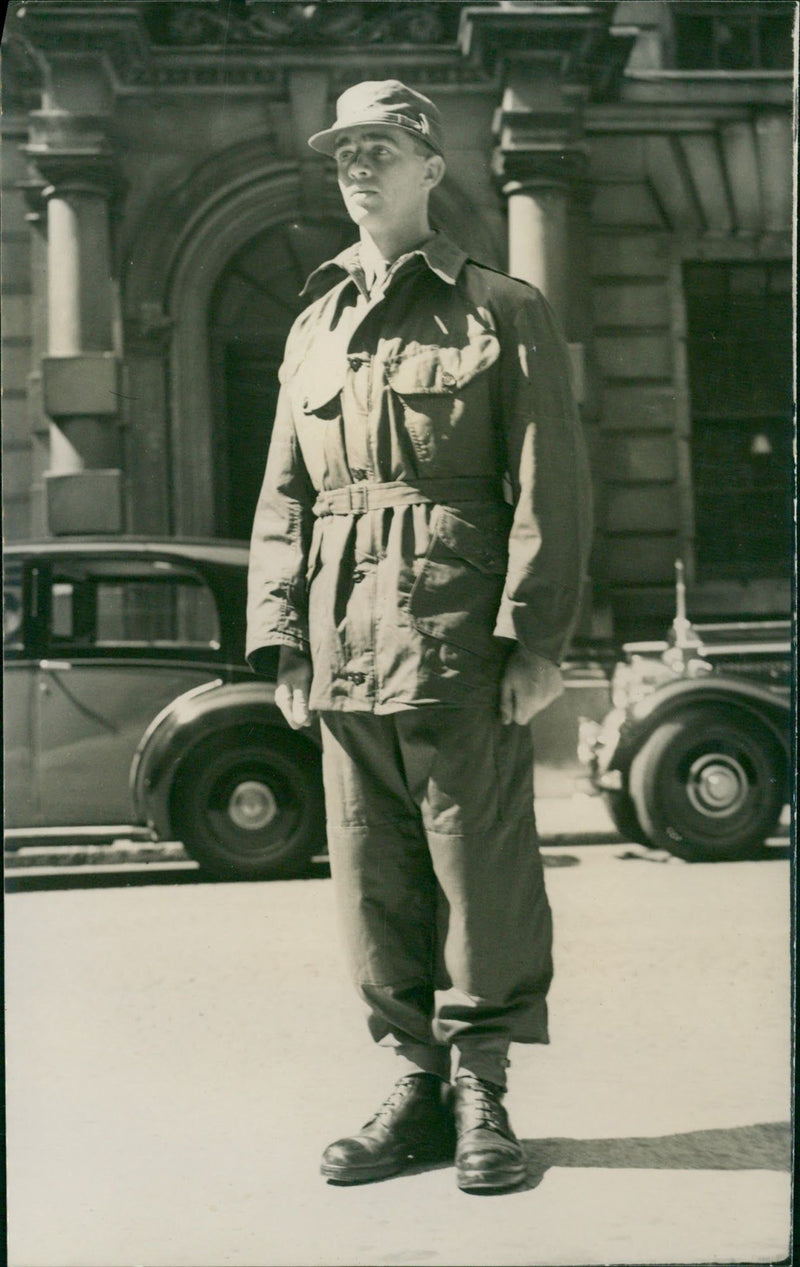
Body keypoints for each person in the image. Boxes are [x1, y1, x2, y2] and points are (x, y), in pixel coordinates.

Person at [247, 79, 593, 1192]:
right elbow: (283, 498)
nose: (358, 166)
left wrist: (534, 639)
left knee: (475, 872)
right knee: (371, 878)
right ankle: (413, 1087)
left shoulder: (500, 307)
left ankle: (481, 1086)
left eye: (381, 148)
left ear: (430, 168)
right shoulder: (313, 324)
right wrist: (282, 639)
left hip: (455, 641)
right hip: (340, 645)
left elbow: (551, 482)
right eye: (345, 151)